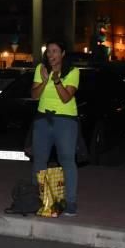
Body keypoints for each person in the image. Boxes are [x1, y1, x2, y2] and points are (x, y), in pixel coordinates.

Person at [31, 39, 80, 216]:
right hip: (43, 118)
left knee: (67, 159)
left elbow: (66, 98)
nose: (51, 55)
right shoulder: (40, 69)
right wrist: (44, 80)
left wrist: (57, 80)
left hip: (65, 119)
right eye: (49, 51)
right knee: (39, 160)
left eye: (55, 51)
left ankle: (70, 202)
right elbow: (35, 95)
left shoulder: (73, 71)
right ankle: (40, 200)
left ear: (63, 53)